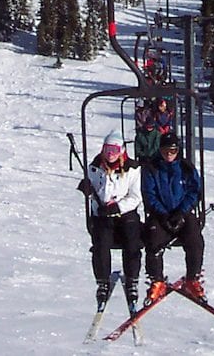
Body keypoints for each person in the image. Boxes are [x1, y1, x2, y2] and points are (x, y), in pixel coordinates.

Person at [79, 131, 143, 310]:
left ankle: (132, 280)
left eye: (114, 150)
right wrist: (90, 192)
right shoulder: (95, 167)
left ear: (121, 150)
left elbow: (136, 196)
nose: (110, 154)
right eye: (107, 149)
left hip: (125, 213)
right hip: (102, 214)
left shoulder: (132, 168)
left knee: (132, 241)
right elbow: (96, 192)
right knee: (101, 244)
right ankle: (102, 281)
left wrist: (118, 207)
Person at [141, 131, 205, 301]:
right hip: (160, 214)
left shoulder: (186, 168)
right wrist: (162, 214)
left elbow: (194, 191)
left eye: (172, 151)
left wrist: (182, 212)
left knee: (195, 239)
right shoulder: (152, 168)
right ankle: (156, 280)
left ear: (178, 151)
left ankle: (192, 278)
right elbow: (149, 194)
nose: (169, 155)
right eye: (165, 151)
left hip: (181, 213)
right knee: (153, 239)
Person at [133, 96, 175, 162]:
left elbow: (156, 146)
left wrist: (167, 126)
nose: (162, 108)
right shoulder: (152, 114)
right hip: (149, 130)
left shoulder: (166, 114)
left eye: (163, 106)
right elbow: (138, 148)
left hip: (162, 131)